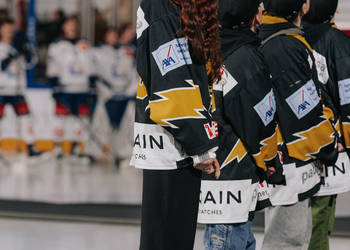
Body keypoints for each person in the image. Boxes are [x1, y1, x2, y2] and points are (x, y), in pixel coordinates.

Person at [130, 0, 222, 249]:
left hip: (177, 142)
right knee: (166, 239)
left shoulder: (168, 6)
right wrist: (199, 147)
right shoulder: (160, 6)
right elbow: (172, 82)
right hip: (171, 144)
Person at [258, 0, 339, 249]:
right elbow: (304, 110)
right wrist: (328, 147)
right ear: (303, 6)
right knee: (287, 240)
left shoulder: (269, 36)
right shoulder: (287, 45)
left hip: (280, 158)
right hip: (291, 162)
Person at [199, 1, 277, 249]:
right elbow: (259, 119)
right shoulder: (244, 57)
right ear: (254, 15)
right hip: (234, 177)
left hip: (213, 170)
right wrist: (270, 159)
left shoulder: (206, 48)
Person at [303, 1, 350, 249]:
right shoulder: (339, 43)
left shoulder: (292, 38)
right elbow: (348, 98)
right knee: (320, 218)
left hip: (294, 142)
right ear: (334, 11)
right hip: (332, 143)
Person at [46, 16, 96, 161]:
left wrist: (92, 84)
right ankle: (58, 148)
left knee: (81, 120)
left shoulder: (84, 44)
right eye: (69, 24)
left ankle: (80, 149)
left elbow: (90, 65)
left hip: (82, 88)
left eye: (74, 24)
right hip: (65, 87)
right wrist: (54, 85)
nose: (72, 27)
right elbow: (52, 65)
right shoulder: (56, 45)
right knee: (60, 119)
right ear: (64, 27)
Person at [93, 28, 138, 167]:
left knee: (126, 127)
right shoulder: (97, 52)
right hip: (107, 97)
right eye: (110, 35)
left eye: (115, 35)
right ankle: (102, 152)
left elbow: (134, 74)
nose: (113, 38)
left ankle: (124, 154)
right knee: (102, 126)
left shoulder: (127, 52)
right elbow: (96, 75)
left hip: (124, 97)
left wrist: (129, 93)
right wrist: (106, 92)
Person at [0, 18, 40, 156]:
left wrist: (26, 51)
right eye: (6, 28)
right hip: (1, 89)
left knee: (25, 117)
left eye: (11, 28)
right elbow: (2, 66)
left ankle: (30, 147)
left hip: (17, 89)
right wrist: (10, 57)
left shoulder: (19, 44)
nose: (9, 31)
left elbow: (31, 62)